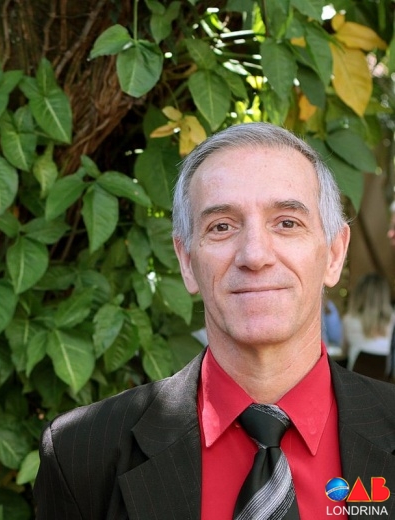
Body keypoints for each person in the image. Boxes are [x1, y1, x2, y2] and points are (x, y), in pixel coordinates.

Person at [34, 122, 395, 519]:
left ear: (334, 254)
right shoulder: (80, 453)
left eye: (287, 223)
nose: (255, 255)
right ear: (187, 261)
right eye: (222, 226)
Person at [342, 272, 394, 379]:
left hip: (354, 377)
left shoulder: (349, 319)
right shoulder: (392, 319)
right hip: (383, 380)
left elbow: (344, 351)